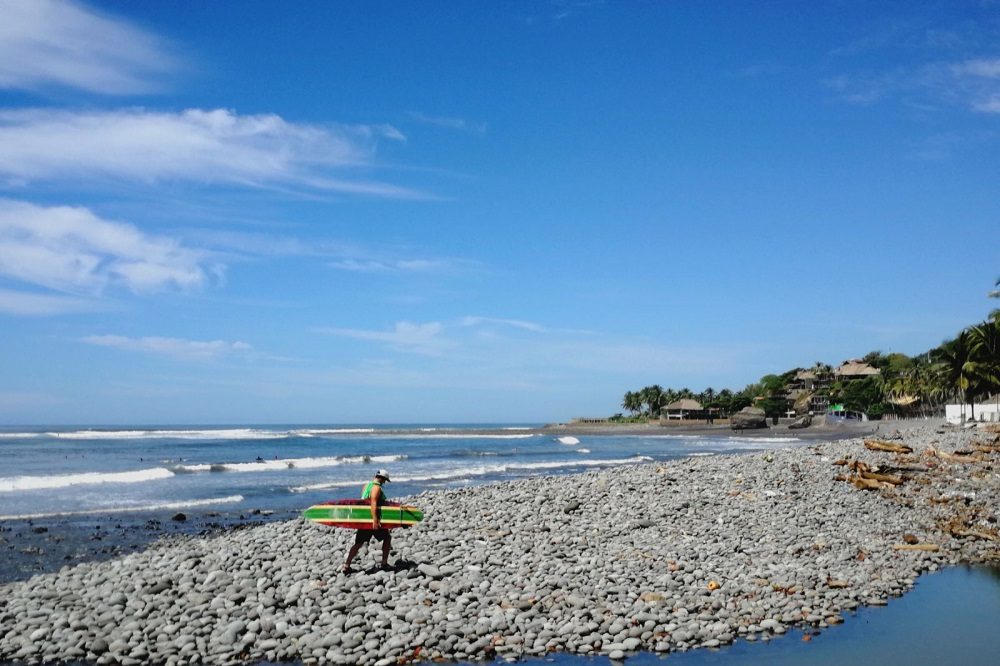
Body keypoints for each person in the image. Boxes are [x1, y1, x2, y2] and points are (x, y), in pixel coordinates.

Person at [342, 469, 393, 573]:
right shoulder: (376, 488)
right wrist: (375, 520)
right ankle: (384, 564)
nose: (384, 483)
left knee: (358, 543)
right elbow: (373, 503)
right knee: (387, 538)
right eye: (385, 480)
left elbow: (363, 502)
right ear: (382, 479)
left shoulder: (366, 485)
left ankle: (346, 566)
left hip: (364, 520)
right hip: (373, 521)